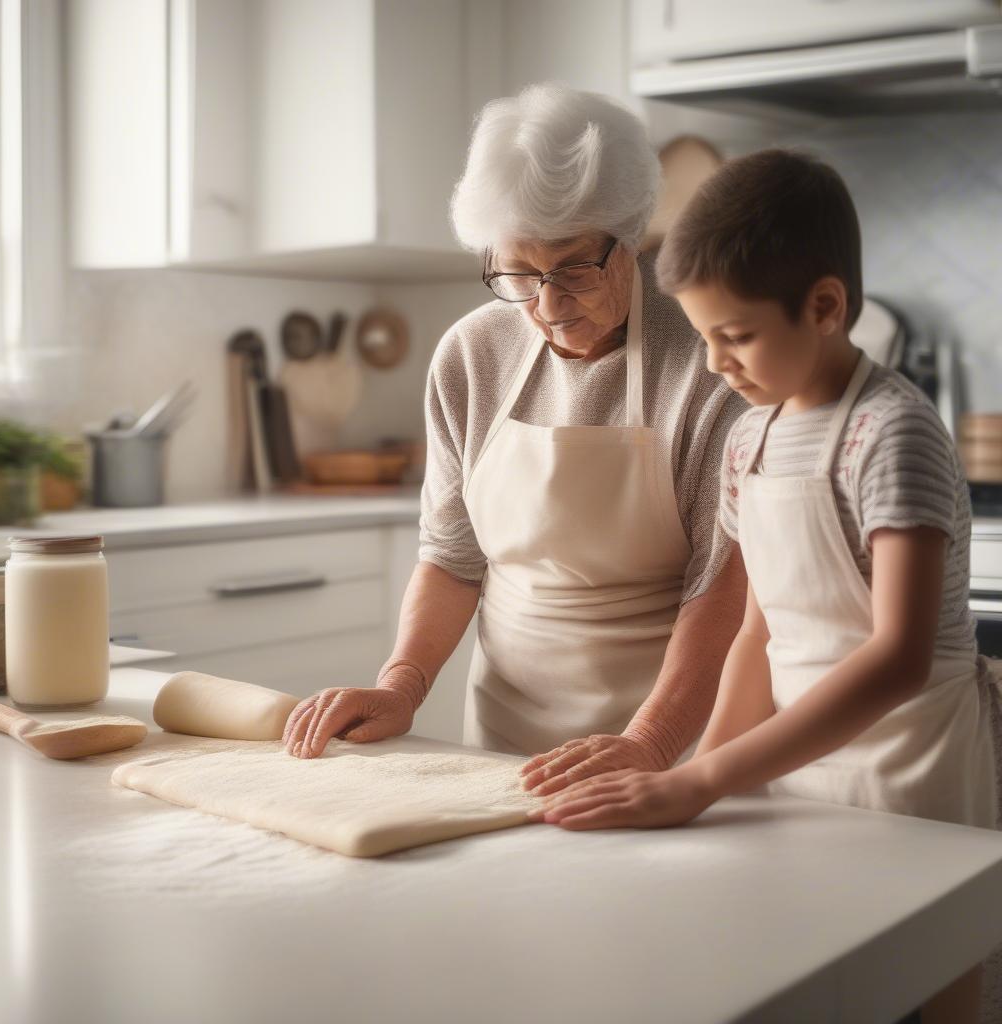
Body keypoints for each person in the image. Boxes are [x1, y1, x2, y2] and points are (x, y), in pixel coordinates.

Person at [536, 148, 999, 1024]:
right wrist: (710, 768)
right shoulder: (750, 440)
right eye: (704, 336)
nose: (715, 364)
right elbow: (760, 632)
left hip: (913, 773)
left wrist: (698, 782)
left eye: (735, 336)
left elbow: (897, 659)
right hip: (795, 763)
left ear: (825, 306)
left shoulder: (892, 433)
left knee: (932, 980)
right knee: (829, 979)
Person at [283, 82, 748, 789]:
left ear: (630, 243)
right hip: (503, 747)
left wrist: (652, 746)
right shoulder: (472, 356)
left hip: (669, 747)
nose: (550, 305)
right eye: (519, 274)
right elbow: (452, 557)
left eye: (573, 269)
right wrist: (402, 685)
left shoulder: (706, 362)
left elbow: (720, 588)